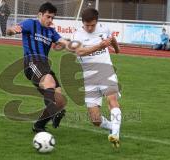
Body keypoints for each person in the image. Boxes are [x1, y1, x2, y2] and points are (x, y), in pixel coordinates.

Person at [6, 2, 111, 133]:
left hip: (44, 66)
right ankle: (53, 113)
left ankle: (39, 125)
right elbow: (9, 31)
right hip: (32, 63)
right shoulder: (30, 24)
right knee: (49, 83)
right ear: (40, 14)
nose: (50, 20)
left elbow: (64, 43)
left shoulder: (51, 31)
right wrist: (12, 30)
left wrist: (81, 48)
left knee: (60, 102)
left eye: (52, 18)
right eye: (48, 16)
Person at [72, 8, 122, 148]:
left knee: (112, 100)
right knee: (95, 120)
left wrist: (117, 49)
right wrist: (100, 45)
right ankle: (113, 126)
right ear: (82, 23)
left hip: (106, 70)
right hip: (89, 78)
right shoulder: (77, 35)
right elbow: (80, 52)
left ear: (97, 22)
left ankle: (115, 135)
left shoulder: (104, 28)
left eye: (92, 25)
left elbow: (112, 39)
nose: (89, 28)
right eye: (87, 25)